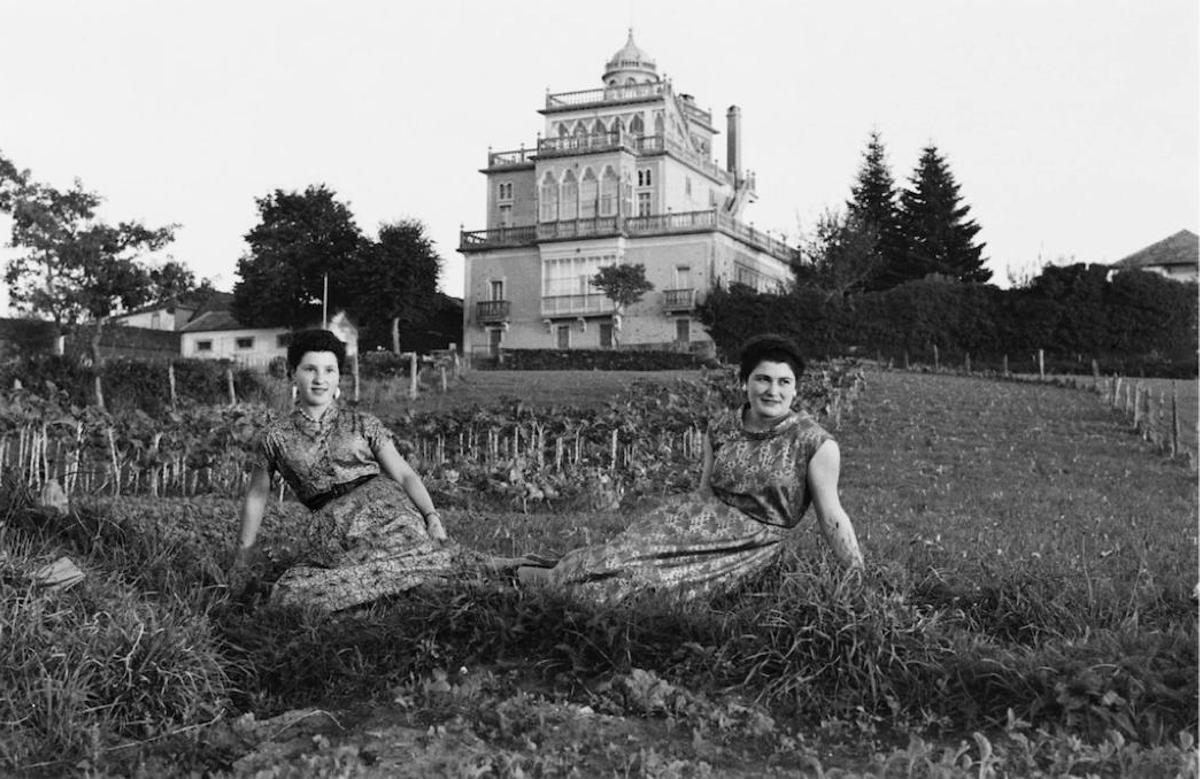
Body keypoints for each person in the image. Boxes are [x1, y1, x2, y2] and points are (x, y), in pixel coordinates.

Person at [519, 333, 864, 604]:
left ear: (796, 388)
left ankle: (530, 580)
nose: (773, 391)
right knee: (614, 557)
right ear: (745, 382)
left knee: (634, 586)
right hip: (695, 523)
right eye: (763, 379)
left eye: (783, 382)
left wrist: (858, 574)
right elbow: (705, 491)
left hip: (749, 547)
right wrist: (674, 531)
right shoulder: (722, 427)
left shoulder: (814, 443)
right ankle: (520, 574)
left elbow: (831, 516)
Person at [232, 329, 456, 612]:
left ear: (339, 376)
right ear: (292, 374)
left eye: (329, 370)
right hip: (333, 531)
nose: (320, 379)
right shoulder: (274, 437)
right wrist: (243, 559)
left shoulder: (364, 424)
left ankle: (441, 581)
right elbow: (256, 498)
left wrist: (431, 516)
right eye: (310, 369)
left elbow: (404, 474)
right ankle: (427, 581)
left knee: (400, 554)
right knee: (287, 595)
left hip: (386, 512)